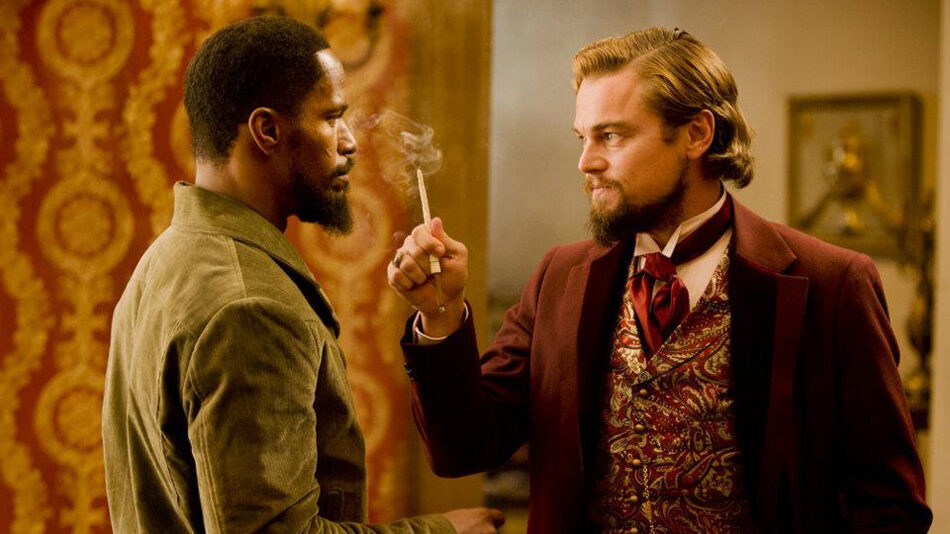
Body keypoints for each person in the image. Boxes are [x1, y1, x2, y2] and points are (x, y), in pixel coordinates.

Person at [388, 27, 931, 533]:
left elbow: (890, 508)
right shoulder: (559, 278)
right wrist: (440, 314)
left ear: (696, 134)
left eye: (610, 136)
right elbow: (464, 447)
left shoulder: (831, 283)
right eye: (582, 137)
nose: (586, 162)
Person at [103, 16, 504, 534]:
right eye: (332, 118)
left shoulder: (164, 260)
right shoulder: (251, 307)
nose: (349, 142)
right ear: (267, 130)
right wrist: (443, 532)